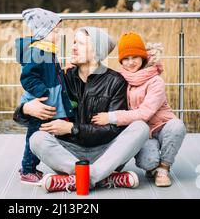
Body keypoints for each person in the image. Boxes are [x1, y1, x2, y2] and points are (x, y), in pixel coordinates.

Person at [14, 27, 149, 193]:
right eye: (73, 42)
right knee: (36, 139)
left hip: (105, 152)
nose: (73, 47)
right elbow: (22, 117)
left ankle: (80, 179)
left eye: (80, 43)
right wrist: (26, 109)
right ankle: (104, 178)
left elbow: (114, 129)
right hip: (69, 154)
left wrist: (72, 128)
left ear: (96, 52)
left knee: (141, 128)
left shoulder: (116, 81)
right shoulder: (63, 78)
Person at [92, 32, 187, 187]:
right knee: (148, 162)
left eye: (135, 57)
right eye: (126, 58)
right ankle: (153, 167)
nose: (131, 62)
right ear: (121, 61)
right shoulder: (121, 78)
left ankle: (163, 167)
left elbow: (145, 113)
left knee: (177, 126)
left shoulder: (156, 81)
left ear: (143, 57)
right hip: (142, 132)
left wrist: (111, 117)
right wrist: (73, 68)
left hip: (162, 127)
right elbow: (100, 79)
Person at [16, 8, 74, 185]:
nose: (58, 34)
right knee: (35, 135)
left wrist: (62, 72)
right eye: (55, 31)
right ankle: (27, 169)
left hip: (47, 102)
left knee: (40, 133)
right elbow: (28, 77)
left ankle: (30, 166)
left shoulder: (47, 50)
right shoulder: (38, 52)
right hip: (41, 103)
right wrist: (44, 92)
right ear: (44, 32)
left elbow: (49, 74)